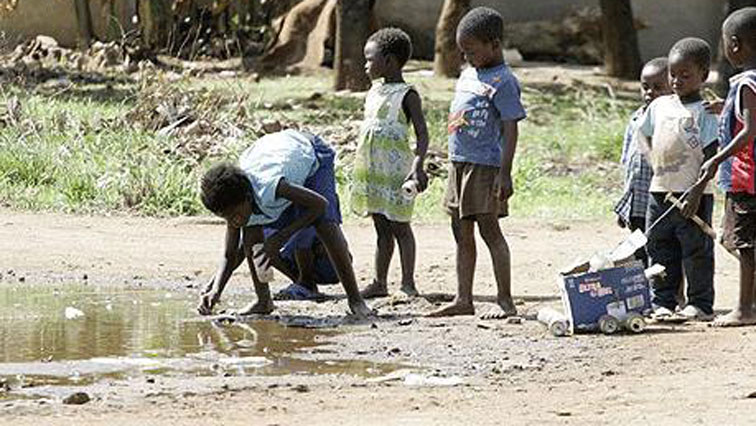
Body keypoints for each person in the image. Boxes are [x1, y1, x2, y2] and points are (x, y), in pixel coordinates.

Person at [197, 129, 372, 318]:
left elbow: (320, 204)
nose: (234, 221)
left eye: (236, 215)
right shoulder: (235, 206)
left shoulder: (270, 188)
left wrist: (281, 237)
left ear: (247, 198)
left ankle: (355, 299)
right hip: (272, 153)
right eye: (227, 218)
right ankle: (263, 301)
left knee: (325, 223)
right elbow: (230, 254)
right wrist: (216, 289)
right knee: (252, 240)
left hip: (311, 153)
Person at [428, 7, 526, 319]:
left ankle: (505, 300)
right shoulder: (469, 74)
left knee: (489, 231)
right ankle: (463, 299)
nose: (467, 57)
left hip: (485, 167)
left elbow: (511, 126)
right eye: (463, 51)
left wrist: (505, 173)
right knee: (460, 231)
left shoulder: (504, 81)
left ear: (494, 45)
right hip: (459, 164)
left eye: (471, 51)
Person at [637, 37, 719, 321]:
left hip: (693, 195)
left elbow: (712, 157)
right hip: (659, 192)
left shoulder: (706, 112)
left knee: (696, 250)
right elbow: (642, 132)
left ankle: (700, 304)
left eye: (686, 75)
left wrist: (696, 193)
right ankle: (663, 302)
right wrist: (651, 159)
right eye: (673, 74)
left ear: (703, 76)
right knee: (659, 247)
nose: (677, 80)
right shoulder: (659, 106)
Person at [351, 27, 430, 299]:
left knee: (400, 226)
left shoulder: (408, 94)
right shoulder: (374, 91)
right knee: (381, 227)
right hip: (374, 171)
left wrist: (417, 166)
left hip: (397, 173)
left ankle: (408, 283)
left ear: (390, 61)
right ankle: (379, 282)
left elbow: (422, 133)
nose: (365, 64)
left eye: (370, 59)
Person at [695, 7, 756, 326]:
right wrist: (726, 109)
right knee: (742, 240)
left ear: (734, 44)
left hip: (746, 178)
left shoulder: (747, 81)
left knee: (740, 242)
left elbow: (750, 130)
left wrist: (717, 158)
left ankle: (746, 309)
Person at [614, 57, 671, 267]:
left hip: (661, 202)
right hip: (637, 204)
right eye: (645, 87)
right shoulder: (636, 119)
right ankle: (647, 296)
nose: (650, 93)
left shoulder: (672, 121)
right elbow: (628, 164)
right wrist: (625, 208)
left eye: (658, 88)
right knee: (639, 251)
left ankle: (675, 295)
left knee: (665, 251)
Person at [201, 226, 342, 303]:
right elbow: (236, 251)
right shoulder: (264, 218)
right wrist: (215, 287)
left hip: (331, 267)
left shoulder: (292, 204)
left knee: (305, 230)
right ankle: (297, 284)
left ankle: (306, 284)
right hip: (299, 263)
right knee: (258, 244)